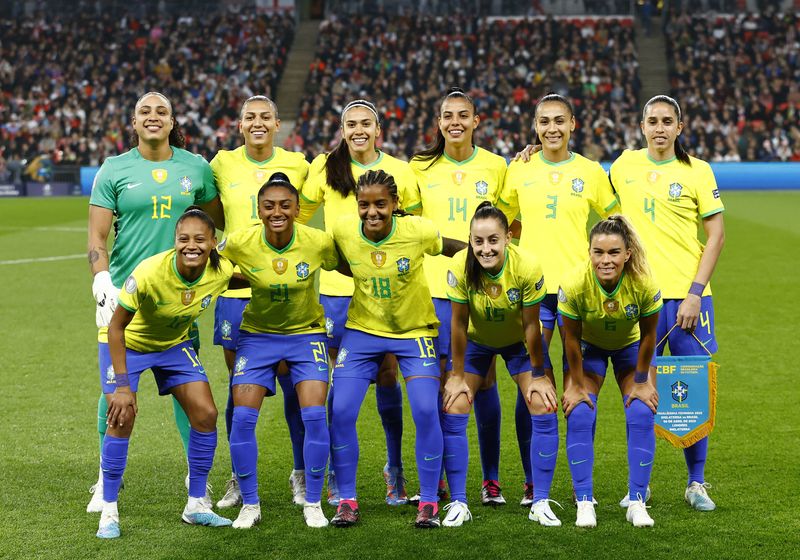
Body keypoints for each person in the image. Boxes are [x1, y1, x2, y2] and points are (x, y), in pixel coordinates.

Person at [87, 91, 223, 513]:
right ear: (133, 121)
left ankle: (192, 471)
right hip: (125, 298)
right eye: (145, 111)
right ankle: (106, 477)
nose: (153, 117)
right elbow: (96, 237)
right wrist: (102, 279)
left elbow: (218, 224)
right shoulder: (114, 169)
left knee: (190, 389)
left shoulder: (195, 167)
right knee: (115, 390)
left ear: (171, 120)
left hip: (180, 298)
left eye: (161, 111)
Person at [298, 99, 421, 506]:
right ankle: (335, 468)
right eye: (351, 124)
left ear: (379, 128)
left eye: (365, 123)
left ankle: (394, 467)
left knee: (387, 376)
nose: (358, 130)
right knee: (338, 380)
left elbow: (413, 227)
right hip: (335, 289)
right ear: (342, 128)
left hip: (386, 291)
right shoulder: (324, 167)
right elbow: (299, 216)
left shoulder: (400, 172)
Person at [328, 170, 465, 528]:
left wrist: (484, 255)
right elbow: (333, 259)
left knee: (424, 409)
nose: (372, 212)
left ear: (395, 205)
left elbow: (449, 247)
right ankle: (347, 500)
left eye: (380, 204)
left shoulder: (417, 230)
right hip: (361, 331)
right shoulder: (344, 231)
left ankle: (430, 502)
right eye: (364, 205)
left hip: (414, 330)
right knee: (340, 409)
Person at [499, 93, 618, 505]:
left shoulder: (591, 171)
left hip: (577, 293)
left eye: (559, 121)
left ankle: (580, 482)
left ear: (573, 125)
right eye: (544, 122)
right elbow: (500, 220)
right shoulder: (519, 169)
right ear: (535, 127)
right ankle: (533, 482)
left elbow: (614, 222)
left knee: (580, 384)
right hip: (532, 291)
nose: (551, 129)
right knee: (532, 384)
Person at [610, 95, 725, 511]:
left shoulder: (698, 171)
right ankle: (639, 487)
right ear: (642, 126)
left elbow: (716, 236)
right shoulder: (623, 167)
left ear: (680, 127)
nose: (659, 128)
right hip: (640, 298)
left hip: (689, 300)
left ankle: (696, 483)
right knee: (640, 389)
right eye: (652, 121)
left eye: (667, 121)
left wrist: (695, 292)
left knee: (692, 391)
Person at [96, 207, 235, 538]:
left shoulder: (222, 271)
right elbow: (116, 329)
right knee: (122, 414)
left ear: (214, 243)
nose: (191, 246)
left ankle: (196, 505)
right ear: (175, 241)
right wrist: (124, 387)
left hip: (173, 345)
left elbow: (255, 274)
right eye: (183, 239)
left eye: (200, 239)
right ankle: (109, 511)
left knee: (205, 413)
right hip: (128, 343)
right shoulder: (149, 273)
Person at [218, 172, 340, 529]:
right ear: (258, 209)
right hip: (257, 335)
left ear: (298, 208)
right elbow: (209, 261)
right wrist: (252, 278)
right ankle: (250, 504)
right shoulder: (240, 242)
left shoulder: (317, 242)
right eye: (269, 205)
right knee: (242, 419)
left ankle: (313, 502)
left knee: (315, 415)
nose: (277, 211)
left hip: (307, 335)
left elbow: (348, 265)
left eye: (285, 205)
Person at [410, 87, 510, 505]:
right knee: (436, 386)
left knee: (483, 380)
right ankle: (440, 479)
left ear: (476, 122)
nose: (455, 122)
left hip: (481, 293)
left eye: (462, 115)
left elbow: (509, 224)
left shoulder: (497, 165)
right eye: (447, 115)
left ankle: (490, 479)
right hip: (432, 290)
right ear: (438, 122)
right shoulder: (418, 167)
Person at [210, 95, 311, 510]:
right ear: (239, 125)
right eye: (249, 117)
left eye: (265, 117)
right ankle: (238, 478)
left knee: (293, 386)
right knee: (240, 388)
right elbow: (210, 208)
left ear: (277, 123)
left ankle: (301, 473)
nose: (257, 123)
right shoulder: (221, 164)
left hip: (287, 291)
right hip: (236, 292)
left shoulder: (300, 164)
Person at [440, 202, 554, 528]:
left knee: (542, 403)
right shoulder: (462, 266)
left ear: (508, 238)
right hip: (477, 343)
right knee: (454, 404)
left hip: (519, 344)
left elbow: (533, 327)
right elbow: (458, 325)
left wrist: (538, 375)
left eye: (493, 240)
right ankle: (460, 503)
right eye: (479, 241)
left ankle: (540, 499)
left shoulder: (527, 266)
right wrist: (457, 375)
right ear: (470, 240)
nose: (486, 248)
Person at [558, 215, 662, 528]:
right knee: (579, 412)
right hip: (589, 348)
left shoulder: (644, 282)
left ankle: (637, 501)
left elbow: (648, 337)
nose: (606, 260)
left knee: (642, 411)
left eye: (614, 253)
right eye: (599, 252)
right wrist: (576, 384)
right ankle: (584, 502)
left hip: (631, 348)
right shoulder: (575, 283)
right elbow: (571, 339)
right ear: (589, 252)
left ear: (627, 253)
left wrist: (642, 381)